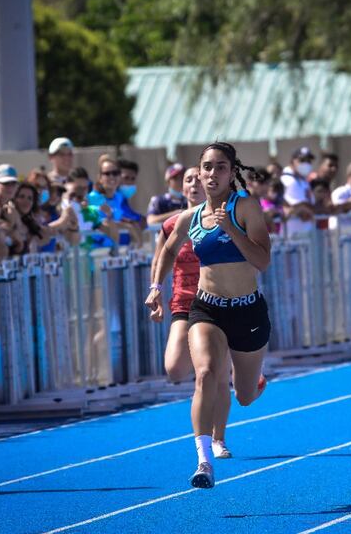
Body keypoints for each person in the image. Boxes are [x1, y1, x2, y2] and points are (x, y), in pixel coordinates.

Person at [145, 142, 271, 489]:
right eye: (207, 167)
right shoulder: (190, 217)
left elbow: (262, 261)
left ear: (232, 173)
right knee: (205, 374)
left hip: (247, 310)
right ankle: (204, 461)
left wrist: (230, 228)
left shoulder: (245, 207)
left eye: (220, 167)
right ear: (198, 173)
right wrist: (156, 287)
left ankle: (255, 379)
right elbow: (168, 250)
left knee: (243, 395)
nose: (212, 174)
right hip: (207, 308)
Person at [150, 167, 234, 459]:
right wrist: (155, 289)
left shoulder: (219, 219)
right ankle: (221, 373)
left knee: (215, 375)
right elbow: (161, 257)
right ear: (181, 188)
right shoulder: (174, 223)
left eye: (199, 179)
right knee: (174, 368)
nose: (195, 184)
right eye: (189, 180)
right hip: (185, 302)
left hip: (217, 301)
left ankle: (218, 439)